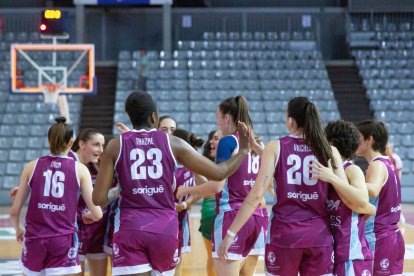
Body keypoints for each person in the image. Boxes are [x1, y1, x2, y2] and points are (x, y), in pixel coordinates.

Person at [93, 91, 250, 276]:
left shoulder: (115, 145)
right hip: (164, 229)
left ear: (130, 116)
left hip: (130, 227)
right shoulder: (173, 142)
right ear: (154, 116)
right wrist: (243, 151)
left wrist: (119, 190)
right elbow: (219, 172)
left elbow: (99, 199)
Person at [217, 97, 347, 276]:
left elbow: (256, 196)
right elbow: (344, 194)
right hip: (319, 235)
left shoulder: (276, 147)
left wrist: (231, 233)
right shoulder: (329, 150)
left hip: (284, 235)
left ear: (291, 121)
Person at [178, 96, 265, 276]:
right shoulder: (258, 143)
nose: (217, 121)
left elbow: (217, 187)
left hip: (232, 214)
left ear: (226, 118)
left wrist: (186, 190)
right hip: (256, 216)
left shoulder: (228, 142)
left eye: (218, 117)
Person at [9, 117, 103, 275]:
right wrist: (92, 216)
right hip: (62, 240)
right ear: (72, 142)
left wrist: (18, 228)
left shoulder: (31, 166)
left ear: (48, 140)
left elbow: (14, 211)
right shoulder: (80, 169)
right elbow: (98, 213)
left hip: (34, 238)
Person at [309, 120, 375, 275]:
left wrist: (332, 178)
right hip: (326, 251)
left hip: (351, 254)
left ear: (331, 142)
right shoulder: (320, 169)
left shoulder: (352, 170)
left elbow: (363, 200)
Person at [356, 120, 405, 275]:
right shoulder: (387, 163)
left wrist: (343, 180)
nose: (354, 141)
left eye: (358, 137)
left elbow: (373, 190)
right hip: (393, 236)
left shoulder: (376, 164)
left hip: (380, 237)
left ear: (369, 140)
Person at [69, 129, 109, 276]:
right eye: (96, 145)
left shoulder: (101, 165)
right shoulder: (69, 161)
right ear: (81, 144)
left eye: (102, 145)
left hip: (97, 230)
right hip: (75, 229)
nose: (101, 150)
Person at [172, 128, 204, 276]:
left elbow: (203, 189)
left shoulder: (192, 167)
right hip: (163, 216)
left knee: (178, 261)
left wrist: (185, 204)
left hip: (181, 219)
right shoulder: (165, 164)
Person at [199, 130, 222, 276]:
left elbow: (204, 190)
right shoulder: (232, 159)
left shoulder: (202, 161)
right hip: (225, 209)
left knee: (211, 258)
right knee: (231, 258)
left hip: (208, 208)